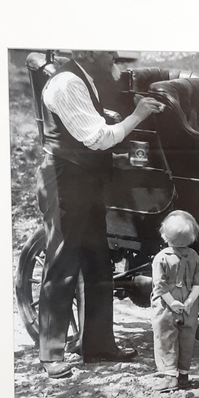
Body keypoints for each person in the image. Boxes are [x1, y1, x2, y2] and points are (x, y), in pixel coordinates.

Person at [37, 50, 164, 378]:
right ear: (87, 54)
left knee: (98, 261)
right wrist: (136, 116)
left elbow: (91, 126)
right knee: (63, 261)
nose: (115, 61)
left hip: (87, 182)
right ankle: (51, 352)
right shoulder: (66, 83)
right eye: (110, 55)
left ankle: (98, 346)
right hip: (64, 181)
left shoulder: (84, 78)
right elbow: (97, 137)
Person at [150, 211, 199, 391]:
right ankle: (183, 375)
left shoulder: (161, 258)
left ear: (165, 236)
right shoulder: (196, 258)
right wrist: (189, 301)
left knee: (166, 336)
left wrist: (172, 302)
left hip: (167, 306)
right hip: (189, 307)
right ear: (193, 237)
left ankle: (169, 376)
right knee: (186, 338)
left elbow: (159, 285)